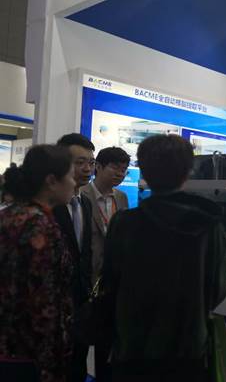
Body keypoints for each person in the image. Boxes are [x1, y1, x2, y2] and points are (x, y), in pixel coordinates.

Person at [102, 134, 226, 382]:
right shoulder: (208, 225)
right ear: (188, 171)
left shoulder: (125, 223)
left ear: (144, 172)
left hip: (132, 347)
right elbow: (218, 287)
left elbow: (110, 281)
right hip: (187, 348)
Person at [0, 145, 76, 382]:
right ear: (51, 181)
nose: (74, 183)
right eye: (70, 176)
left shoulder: (8, 214)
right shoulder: (41, 226)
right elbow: (43, 299)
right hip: (30, 353)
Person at [80, 147, 129, 382]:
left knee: (108, 342)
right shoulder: (81, 196)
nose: (120, 173)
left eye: (124, 169)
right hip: (89, 276)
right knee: (84, 339)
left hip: (114, 280)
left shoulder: (122, 198)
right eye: (115, 168)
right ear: (98, 167)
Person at [53, 133, 95, 382]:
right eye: (80, 162)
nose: (87, 168)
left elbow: (84, 253)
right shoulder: (48, 206)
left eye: (91, 162)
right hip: (53, 307)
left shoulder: (85, 203)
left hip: (81, 303)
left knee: (78, 364)